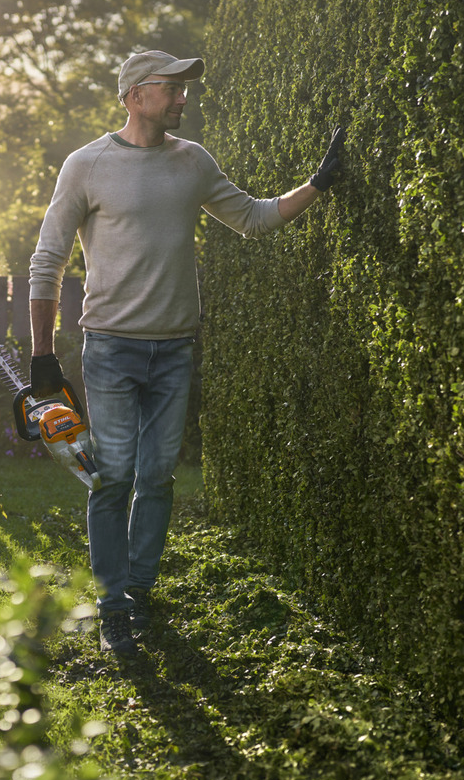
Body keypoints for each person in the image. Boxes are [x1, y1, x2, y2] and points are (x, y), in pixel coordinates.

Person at [27, 48, 344, 660]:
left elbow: (251, 218)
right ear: (135, 95)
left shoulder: (191, 161)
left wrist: (317, 185)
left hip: (174, 349)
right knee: (114, 476)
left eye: (183, 89)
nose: (182, 99)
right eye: (171, 88)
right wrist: (43, 354)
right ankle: (112, 605)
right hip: (112, 347)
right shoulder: (86, 165)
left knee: (158, 478)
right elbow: (48, 258)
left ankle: (139, 591)